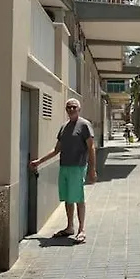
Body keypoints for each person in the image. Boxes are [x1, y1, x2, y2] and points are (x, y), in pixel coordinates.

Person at [30, 98, 96, 244]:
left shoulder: (84, 125)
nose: (71, 109)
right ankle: (69, 227)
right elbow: (56, 150)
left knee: (78, 198)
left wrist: (92, 169)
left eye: (74, 107)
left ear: (79, 109)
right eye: (68, 107)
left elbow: (91, 147)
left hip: (78, 167)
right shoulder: (64, 127)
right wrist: (39, 161)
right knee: (67, 198)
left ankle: (82, 230)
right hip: (64, 167)